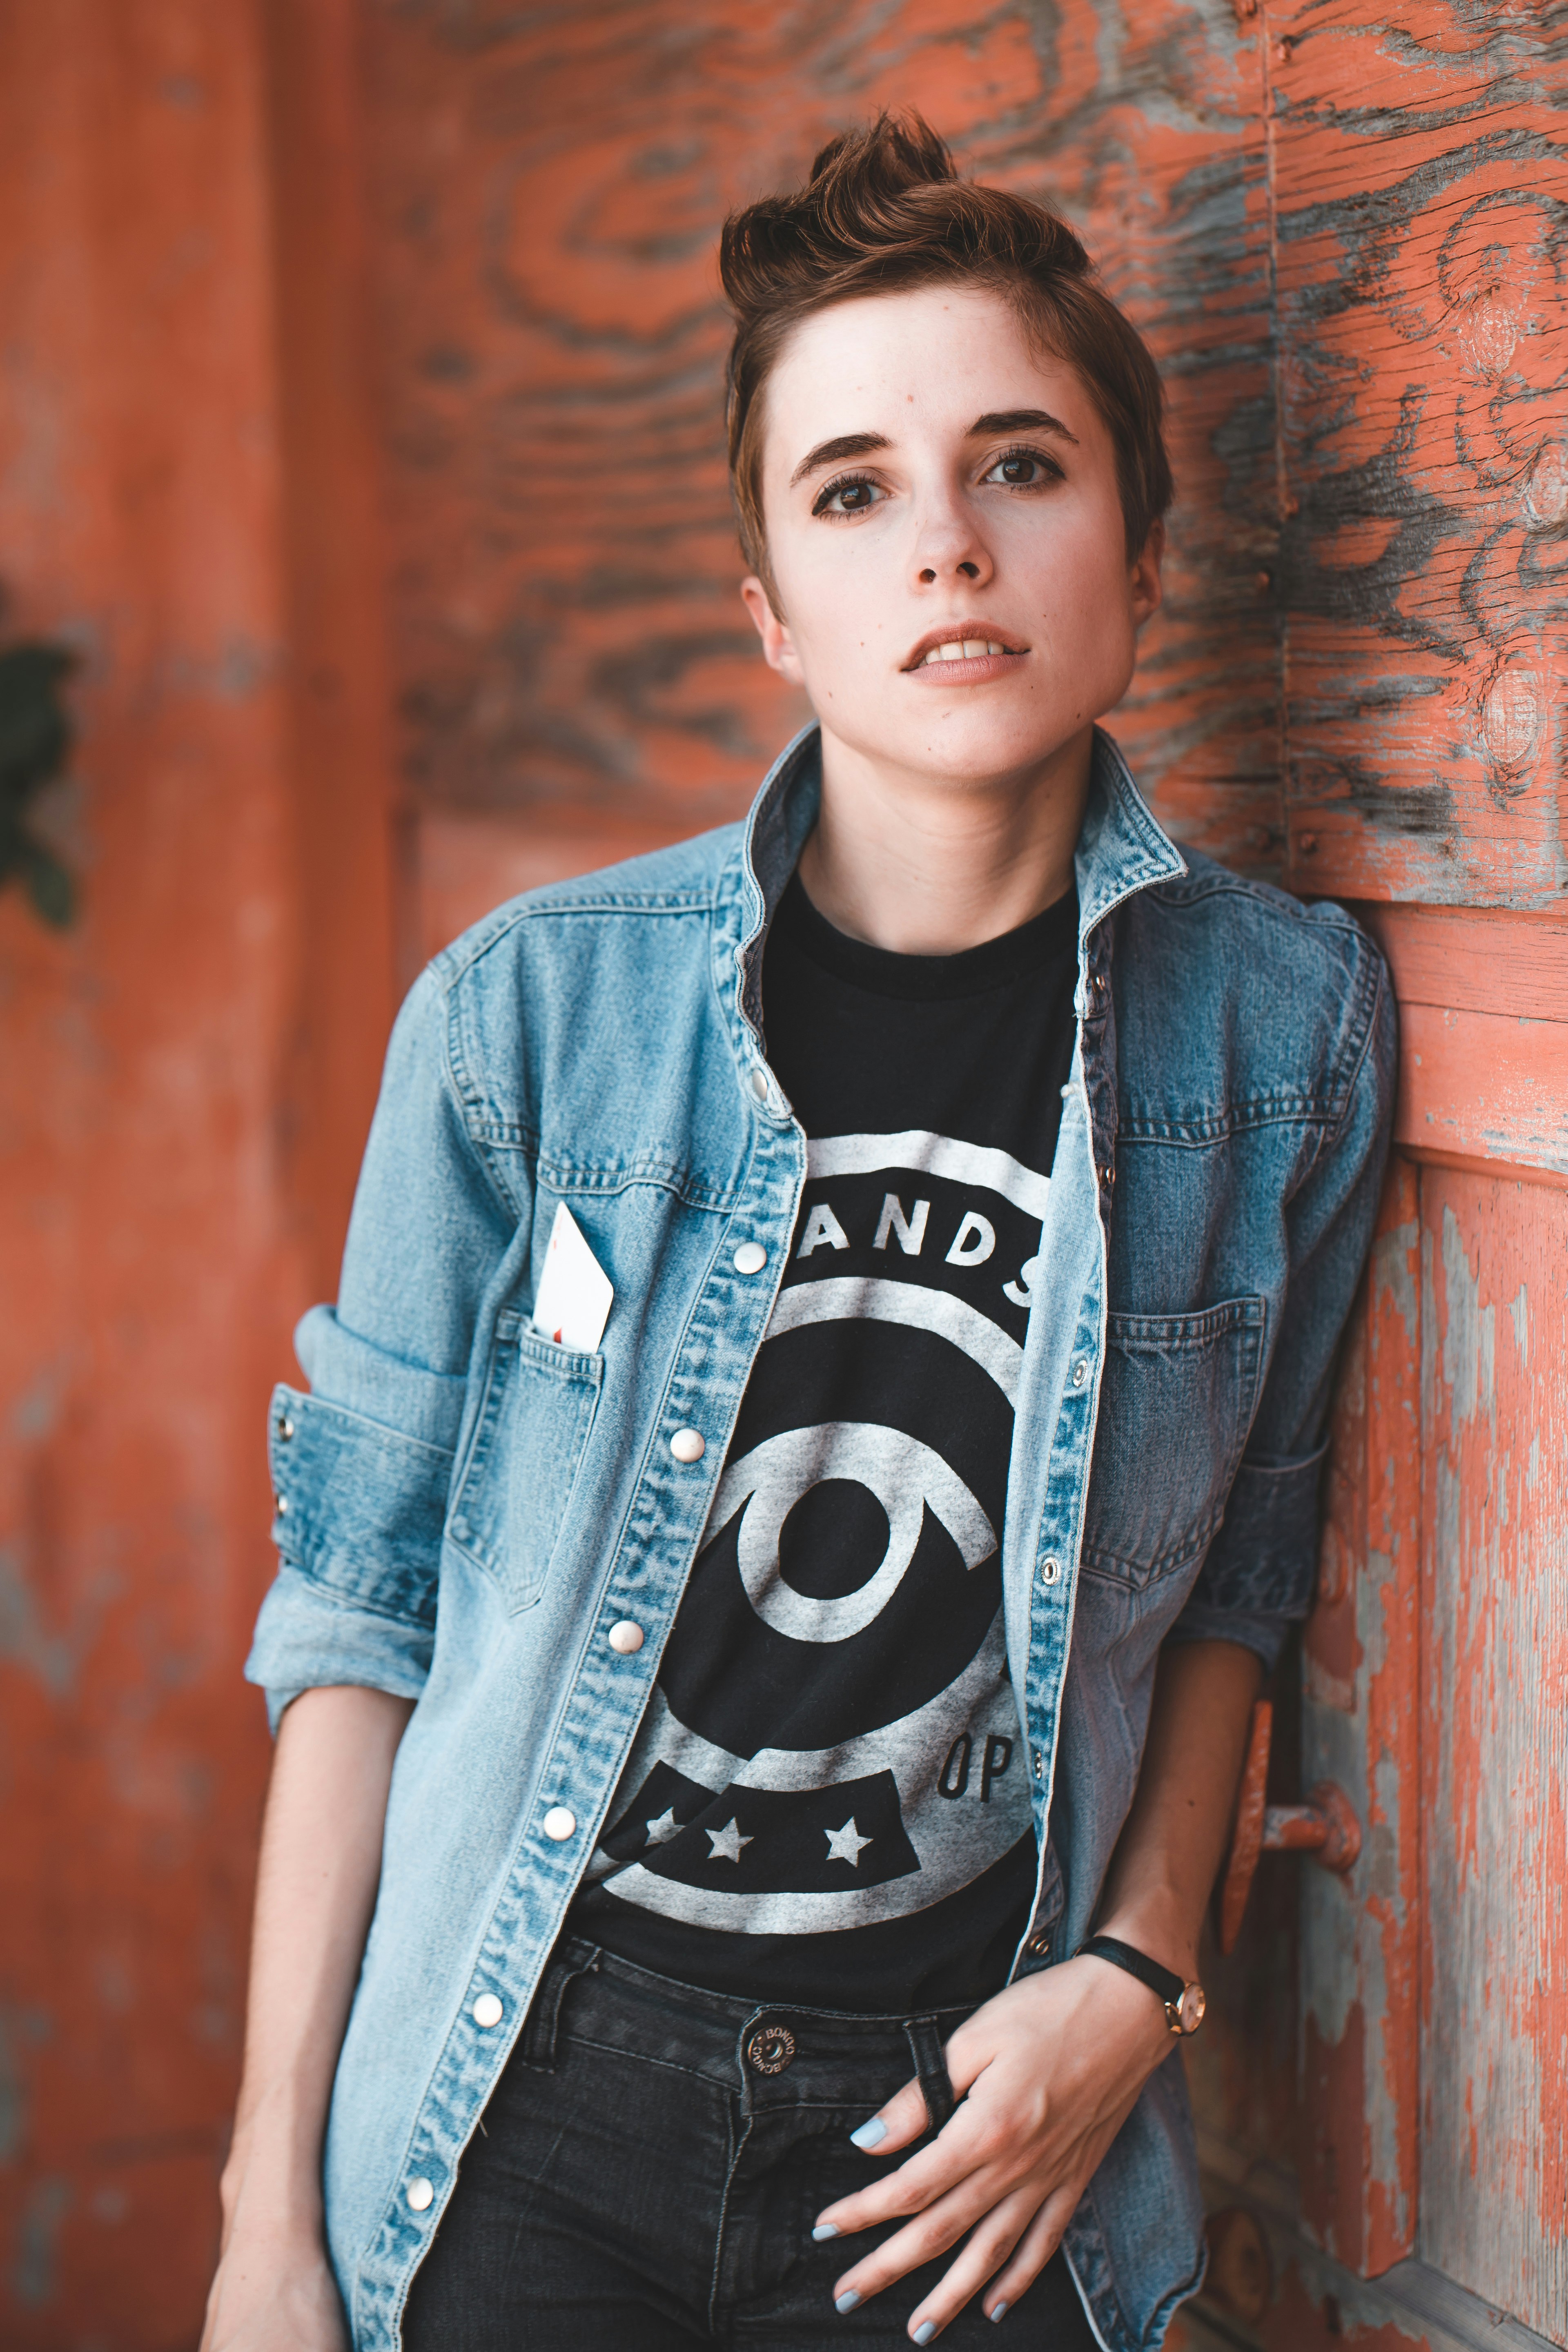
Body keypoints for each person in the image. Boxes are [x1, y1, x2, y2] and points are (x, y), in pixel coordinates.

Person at [202, 114, 1394, 2352]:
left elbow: (1241, 1583)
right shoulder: (527, 1021)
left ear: (1138, 550)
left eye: (1019, 466)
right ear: (773, 610)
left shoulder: (1283, 1032)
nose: (945, 545)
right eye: (854, 490)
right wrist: (269, 2224)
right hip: (532, 2104)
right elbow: (355, 1627)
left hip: (960, 2137)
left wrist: (1133, 1983)